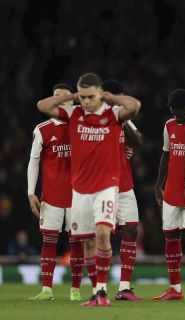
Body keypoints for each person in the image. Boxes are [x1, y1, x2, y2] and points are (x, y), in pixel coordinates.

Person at [37, 73, 141, 307]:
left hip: (106, 186)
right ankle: (97, 292)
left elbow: (135, 105)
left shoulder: (112, 114)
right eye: (82, 97)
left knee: (103, 233)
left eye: (90, 97)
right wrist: (73, 96)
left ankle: (103, 293)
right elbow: (42, 105)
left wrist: (111, 97)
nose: (85, 101)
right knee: (88, 243)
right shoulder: (74, 114)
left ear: (100, 94)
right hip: (80, 189)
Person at [27, 83, 84, 301]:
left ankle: (75, 290)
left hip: (78, 196)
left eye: (64, 97)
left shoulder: (81, 125)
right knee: (48, 241)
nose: (60, 100)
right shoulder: (42, 129)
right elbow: (33, 161)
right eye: (56, 97)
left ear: (72, 101)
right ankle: (47, 290)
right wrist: (31, 193)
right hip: (51, 196)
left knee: (76, 242)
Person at [154, 89, 185, 301]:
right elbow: (166, 155)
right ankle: (175, 288)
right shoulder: (169, 125)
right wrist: (158, 185)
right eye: (174, 113)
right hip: (172, 190)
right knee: (171, 236)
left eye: (180, 114)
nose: (177, 118)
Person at [101, 79, 143, 301]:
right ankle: (99, 287)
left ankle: (124, 287)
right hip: (101, 185)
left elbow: (138, 141)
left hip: (125, 184)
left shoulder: (123, 119)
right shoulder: (95, 119)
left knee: (131, 230)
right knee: (101, 234)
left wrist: (123, 119)